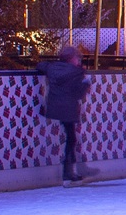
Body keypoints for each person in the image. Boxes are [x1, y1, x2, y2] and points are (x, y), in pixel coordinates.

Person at [37, 44, 94, 183]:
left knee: (71, 138)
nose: (78, 61)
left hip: (54, 107)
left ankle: (71, 171)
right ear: (72, 59)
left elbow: (40, 65)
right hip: (68, 108)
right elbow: (78, 93)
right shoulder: (76, 72)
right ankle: (68, 173)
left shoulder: (51, 68)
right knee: (72, 139)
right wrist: (86, 83)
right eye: (77, 58)